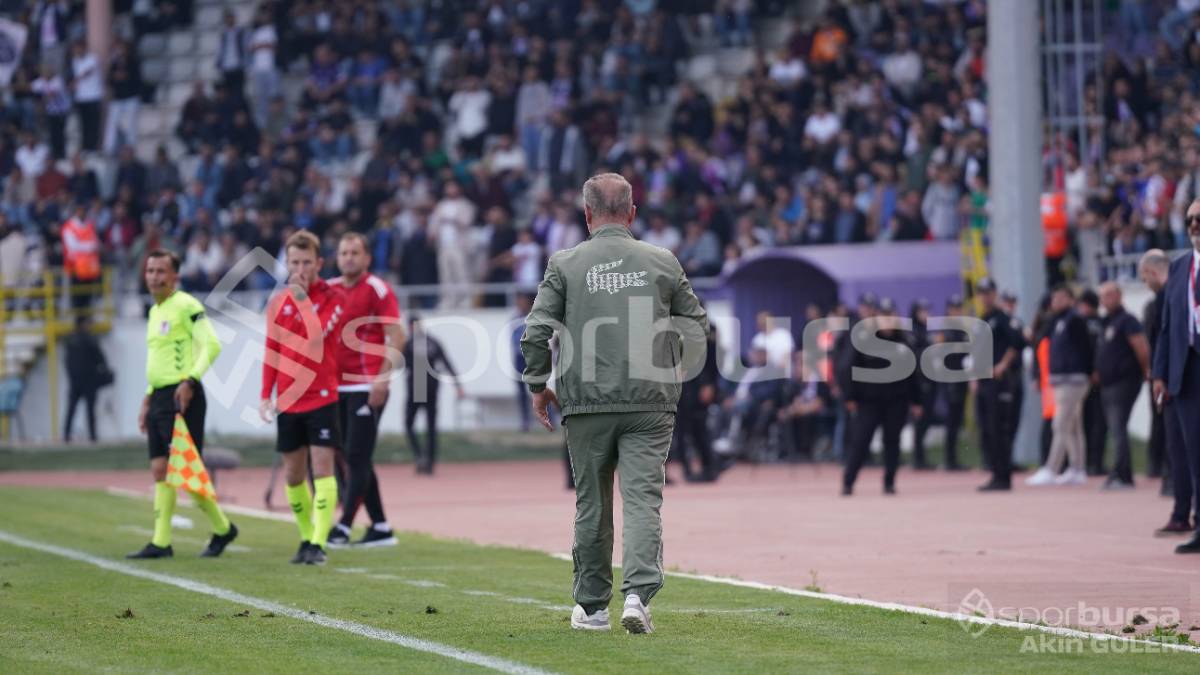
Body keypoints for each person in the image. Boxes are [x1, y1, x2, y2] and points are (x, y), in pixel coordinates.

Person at [521, 173, 708, 634]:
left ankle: (592, 606)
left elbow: (535, 330)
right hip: (650, 400)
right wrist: (674, 368)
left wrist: (537, 384)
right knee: (643, 500)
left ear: (586, 215)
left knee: (592, 504)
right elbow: (696, 324)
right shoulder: (662, 260)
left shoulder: (565, 263)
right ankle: (638, 597)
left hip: (586, 401)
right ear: (632, 213)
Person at [127, 250, 237, 559]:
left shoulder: (187, 305)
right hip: (160, 396)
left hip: (183, 396)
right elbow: (158, 360)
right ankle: (162, 542)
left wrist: (190, 381)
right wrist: (148, 396)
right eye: (150, 270)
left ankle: (221, 528)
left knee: (185, 472)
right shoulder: (154, 312)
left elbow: (212, 344)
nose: (154, 276)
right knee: (160, 469)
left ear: (175, 276)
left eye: (161, 271)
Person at [261, 231, 346, 566]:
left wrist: (300, 299)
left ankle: (319, 543)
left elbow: (316, 338)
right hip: (288, 400)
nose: (300, 268)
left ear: (319, 264)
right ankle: (306, 536)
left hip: (322, 397)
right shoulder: (278, 303)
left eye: (306, 262)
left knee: (322, 471)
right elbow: (272, 349)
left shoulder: (334, 298)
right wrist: (264, 394)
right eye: (294, 262)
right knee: (293, 475)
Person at [325, 233, 406, 548]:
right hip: (335, 386)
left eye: (354, 252)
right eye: (343, 252)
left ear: (366, 258)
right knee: (346, 455)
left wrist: (382, 379)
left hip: (366, 384)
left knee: (356, 455)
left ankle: (343, 526)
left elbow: (396, 336)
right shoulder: (329, 289)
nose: (348, 258)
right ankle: (381, 527)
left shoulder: (377, 289)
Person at [1151, 200, 1200, 553]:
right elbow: (1166, 328)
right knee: (1195, 452)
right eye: (1189, 220)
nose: (1194, 224)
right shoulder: (1180, 268)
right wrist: (1160, 373)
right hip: (1187, 372)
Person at [841, 297, 922, 496]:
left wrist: (917, 401)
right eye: (883, 316)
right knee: (861, 441)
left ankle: (889, 482)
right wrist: (849, 397)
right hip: (869, 401)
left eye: (890, 316)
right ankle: (848, 482)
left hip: (896, 400)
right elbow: (848, 368)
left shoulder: (905, 340)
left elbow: (914, 373)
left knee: (892, 441)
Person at [1140, 250, 1194, 535]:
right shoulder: (1177, 292)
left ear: (1151, 272)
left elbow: (1164, 338)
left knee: (1180, 449)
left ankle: (1182, 512)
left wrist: (1160, 376)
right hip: (1176, 380)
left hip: (1178, 383)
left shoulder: (1169, 296)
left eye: (1143, 277)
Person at [1026, 285, 1093, 487]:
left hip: (1073, 379)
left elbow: (1088, 347)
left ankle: (1051, 468)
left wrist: (1087, 371)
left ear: (1071, 299)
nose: (1056, 302)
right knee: (1073, 426)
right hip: (1061, 379)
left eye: (1061, 297)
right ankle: (1077, 468)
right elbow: (1037, 336)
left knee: (1060, 424)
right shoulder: (1057, 320)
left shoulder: (1075, 319)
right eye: (1054, 298)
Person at [1095, 282, 1150, 490]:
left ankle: (1123, 474)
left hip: (1125, 381)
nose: (1106, 299)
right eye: (1103, 296)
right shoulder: (1106, 322)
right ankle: (1119, 471)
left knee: (1118, 426)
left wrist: (1146, 372)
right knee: (1115, 427)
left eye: (1109, 295)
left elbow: (1141, 347)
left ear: (1119, 296)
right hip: (1108, 383)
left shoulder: (1127, 321)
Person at [974, 278, 1021, 491]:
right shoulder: (983, 319)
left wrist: (1002, 365)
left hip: (998, 382)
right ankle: (996, 473)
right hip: (983, 381)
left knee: (998, 428)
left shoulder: (1002, 318)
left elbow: (1017, 342)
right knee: (987, 429)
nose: (985, 296)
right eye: (982, 292)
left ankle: (1003, 476)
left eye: (988, 292)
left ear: (995, 293)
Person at [402, 314, 464, 475]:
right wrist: (458, 386)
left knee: (409, 424)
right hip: (431, 386)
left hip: (417, 386)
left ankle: (419, 456)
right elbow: (447, 362)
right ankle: (429, 462)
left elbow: (402, 365)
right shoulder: (433, 342)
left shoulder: (409, 343)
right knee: (431, 427)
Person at [63, 315, 109, 442]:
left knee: (72, 409)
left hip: (75, 381)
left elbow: (67, 362)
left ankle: (66, 435)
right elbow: (100, 359)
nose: (90, 326)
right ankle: (93, 436)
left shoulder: (70, 340)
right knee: (90, 410)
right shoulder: (90, 339)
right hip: (89, 381)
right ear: (83, 324)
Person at [1077, 289, 1108, 476]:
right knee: (1093, 423)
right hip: (1090, 378)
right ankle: (1092, 462)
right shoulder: (1103, 322)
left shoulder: (1084, 323)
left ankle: (1093, 462)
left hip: (1091, 378)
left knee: (1093, 423)